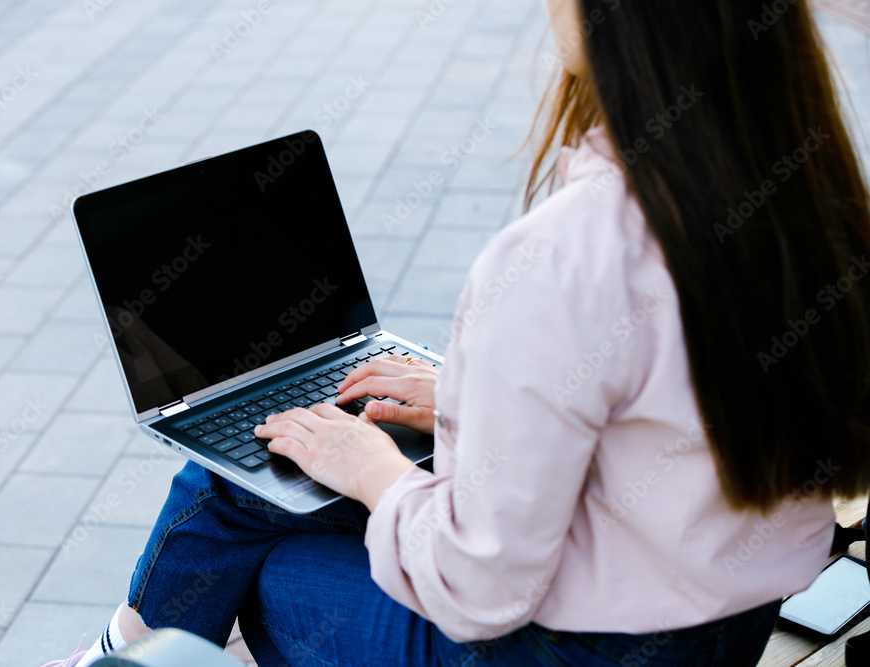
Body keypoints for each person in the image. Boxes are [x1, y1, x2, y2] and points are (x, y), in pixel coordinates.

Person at [43, 0, 870, 664]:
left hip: (574, 648)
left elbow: (482, 589)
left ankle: (129, 655)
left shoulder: (563, 257)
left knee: (258, 546)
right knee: (251, 476)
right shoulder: (808, 195)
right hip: (732, 623)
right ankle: (122, 651)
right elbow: (683, 406)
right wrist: (472, 403)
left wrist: (374, 473)